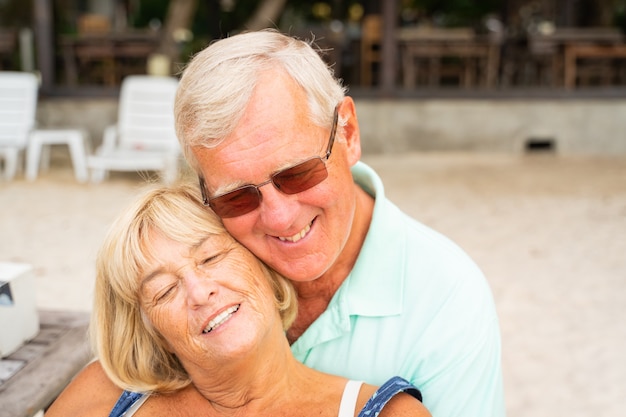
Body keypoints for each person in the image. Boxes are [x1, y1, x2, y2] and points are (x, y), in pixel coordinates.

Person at [173, 29, 505, 416]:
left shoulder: (447, 298)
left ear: (347, 132)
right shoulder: (189, 272)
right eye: (236, 197)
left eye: (297, 173)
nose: (279, 217)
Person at [45, 184, 431, 417]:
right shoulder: (104, 393)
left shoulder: (388, 414)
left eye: (212, 258)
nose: (200, 291)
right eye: (164, 290)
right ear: (152, 331)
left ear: (263, 265)